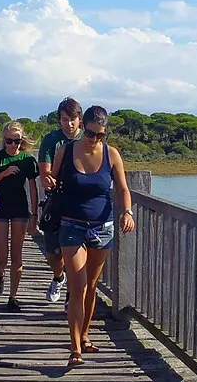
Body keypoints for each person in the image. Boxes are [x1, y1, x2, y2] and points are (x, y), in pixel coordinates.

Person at [51, 105, 135, 366]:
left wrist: (127, 212)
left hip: (102, 227)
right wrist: (48, 182)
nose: (95, 139)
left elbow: (122, 188)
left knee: (91, 287)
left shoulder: (112, 155)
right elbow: (53, 181)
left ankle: (85, 336)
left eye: (101, 135)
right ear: (82, 128)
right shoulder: (65, 151)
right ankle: (75, 348)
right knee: (78, 285)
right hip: (71, 225)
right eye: (90, 134)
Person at [0, 122, 40, 310]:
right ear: (3, 140)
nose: (13, 145)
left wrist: (34, 214)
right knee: (2, 254)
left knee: (17, 254)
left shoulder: (28, 160)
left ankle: (13, 297)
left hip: (19, 209)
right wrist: (4, 174)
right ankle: (0, 273)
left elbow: (32, 188)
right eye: (9, 141)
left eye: (17, 141)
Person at [33, 97, 81, 305]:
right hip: (56, 202)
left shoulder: (88, 139)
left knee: (75, 253)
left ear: (80, 119)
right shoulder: (51, 140)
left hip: (80, 205)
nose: (68, 124)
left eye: (72, 119)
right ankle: (58, 277)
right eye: (64, 119)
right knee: (54, 254)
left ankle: (72, 297)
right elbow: (45, 172)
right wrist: (48, 179)